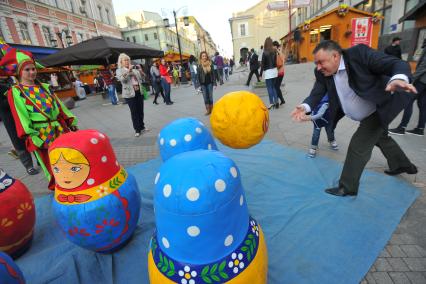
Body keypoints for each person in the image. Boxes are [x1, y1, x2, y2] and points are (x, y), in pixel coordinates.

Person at [291, 40, 418, 197]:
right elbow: (318, 91)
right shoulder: (323, 72)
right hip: (366, 111)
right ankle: (403, 165)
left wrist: (398, 78)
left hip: (382, 106)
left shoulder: (359, 55)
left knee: (359, 144)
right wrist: (305, 106)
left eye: (321, 62)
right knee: (381, 138)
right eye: (316, 63)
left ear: (335, 56)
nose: (318, 67)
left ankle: (347, 187)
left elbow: (395, 63)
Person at [0, 42, 77, 189]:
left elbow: (59, 106)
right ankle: (59, 187)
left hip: (58, 128)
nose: (32, 72)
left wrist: (69, 121)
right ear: (19, 73)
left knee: (67, 156)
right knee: (49, 161)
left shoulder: (45, 87)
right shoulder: (16, 92)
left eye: (33, 68)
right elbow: (20, 115)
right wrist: (30, 134)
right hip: (40, 133)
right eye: (27, 70)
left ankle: (74, 181)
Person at [0, 76, 38, 175]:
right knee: (19, 144)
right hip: (11, 120)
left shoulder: (13, 81)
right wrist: (11, 95)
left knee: (32, 138)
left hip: (23, 116)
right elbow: (2, 106)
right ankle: (29, 166)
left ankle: (40, 160)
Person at [389, 39, 426, 136]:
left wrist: (412, 78)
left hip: (422, 80)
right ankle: (420, 128)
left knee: (408, 101)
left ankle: (402, 127)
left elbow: (423, 65)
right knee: (423, 104)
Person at [116, 53, 148, 137]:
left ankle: (142, 126)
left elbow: (142, 78)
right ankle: (137, 129)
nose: (127, 62)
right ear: (121, 62)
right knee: (134, 112)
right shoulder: (119, 70)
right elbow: (123, 80)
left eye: (128, 60)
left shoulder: (134, 69)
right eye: (125, 60)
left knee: (140, 111)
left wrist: (140, 71)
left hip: (138, 91)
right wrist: (129, 71)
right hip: (129, 94)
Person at [262, 37, 279, 109]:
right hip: (274, 71)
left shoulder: (265, 52)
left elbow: (263, 64)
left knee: (269, 88)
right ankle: (277, 101)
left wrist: (260, 74)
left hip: (268, 72)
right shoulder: (274, 51)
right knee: (274, 87)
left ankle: (271, 103)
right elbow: (275, 61)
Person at [197, 51, 216, 115]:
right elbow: (198, 75)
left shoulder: (210, 64)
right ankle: (208, 110)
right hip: (203, 84)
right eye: (203, 56)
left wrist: (214, 83)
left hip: (210, 83)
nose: (204, 57)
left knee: (210, 97)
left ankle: (212, 109)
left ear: (207, 56)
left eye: (205, 56)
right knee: (205, 97)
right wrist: (199, 85)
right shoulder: (199, 65)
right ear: (201, 57)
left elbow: (213, 74)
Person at [273, 41, 286, 105]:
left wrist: (277, 51)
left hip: (280, 72)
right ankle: (281, 100)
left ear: (275, 46)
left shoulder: (279, 52)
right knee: (276, 86)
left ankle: (280, 100)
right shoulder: (278, 52)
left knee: (276, 87)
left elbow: (282, 60)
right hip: (280, 72)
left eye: (273, 46)